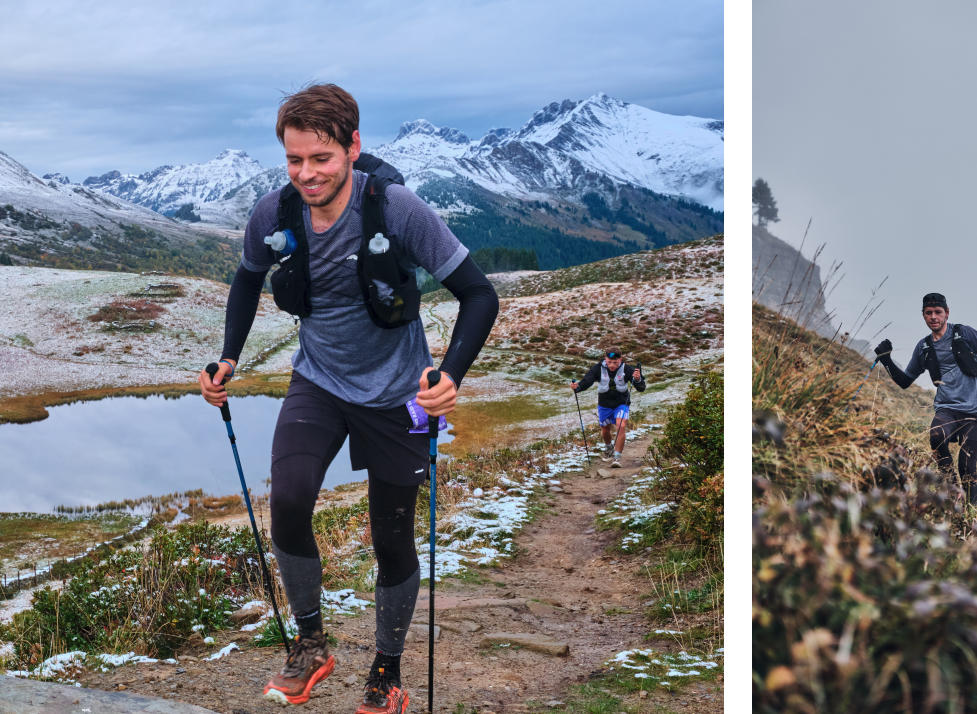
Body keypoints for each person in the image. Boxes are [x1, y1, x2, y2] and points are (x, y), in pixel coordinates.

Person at [198, 84, 498, 714]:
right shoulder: (274, 213)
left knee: (391, 536)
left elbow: (479, 294)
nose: (307, 174)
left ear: (353, 147)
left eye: (322, 159)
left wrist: (451, 375)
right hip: (318, 380)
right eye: (294, 160)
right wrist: (229, 356)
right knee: (290, 499)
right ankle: (310, 644)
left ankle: (385, 671)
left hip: (398, 394)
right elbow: (247, 280)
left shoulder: (396, 209)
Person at [873, 293, 977, 505]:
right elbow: (906, 381)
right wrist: (886, 360)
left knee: (967, 466)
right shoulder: (924, 346)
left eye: (938, 312)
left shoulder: (964, 333)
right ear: (923, 316)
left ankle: (970, 515)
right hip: (947, 408)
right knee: (936, 436)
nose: (933, 317)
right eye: (928, 313)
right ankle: (953, 490)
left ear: (947, 313)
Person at [571, 351, 644, 468]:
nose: (612, 365)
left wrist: (638, 379)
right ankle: (609, 447)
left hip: (622, 403)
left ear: (620, 359)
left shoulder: (627, 369)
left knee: (621, 426)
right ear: (605, 359)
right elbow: (586, 382)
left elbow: (641, 388)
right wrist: (577, 387)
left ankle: (617, 457)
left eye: (615, 362)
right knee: (605, 431)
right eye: (609, 362)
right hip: (604, 404)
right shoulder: (598, 368)